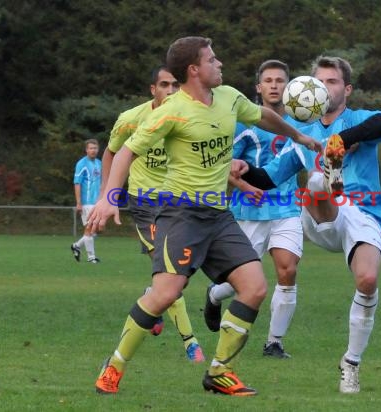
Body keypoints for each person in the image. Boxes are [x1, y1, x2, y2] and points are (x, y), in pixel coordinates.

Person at [88, 36, 321, 397]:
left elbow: (264, 116)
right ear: (194, 70)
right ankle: (114, 366)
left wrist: (299, 136)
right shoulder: (170, 111)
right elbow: (124, 153)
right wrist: (108, 197)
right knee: (166, 294)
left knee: (255, 288)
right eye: (212, 60)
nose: (220, 64)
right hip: (181, 215)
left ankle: (219, 372)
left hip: (218, 215)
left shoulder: (228, 96)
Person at [235, 55, 381, 394]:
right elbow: (267, 178)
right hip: (321, 212)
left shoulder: (360, 119)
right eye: (319, 81)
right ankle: (328, 179)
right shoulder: (302, 134)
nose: (324, 88)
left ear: (347, 89)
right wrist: (244, 170)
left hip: (365, 214)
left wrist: (342, 139)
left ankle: (350, 362)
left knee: (367, 280)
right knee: (316, 184)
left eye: (333, 82)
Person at [102, 65, 205, 363]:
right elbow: (111, 152)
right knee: (170, 276)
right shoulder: (131, 119)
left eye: (176, 85)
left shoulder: (188, 115)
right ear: (153, 89)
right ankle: (191, 342)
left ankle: (153, 301)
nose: (171, 91)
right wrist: (107, 196)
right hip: (144, 205)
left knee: (177, 279)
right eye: (164, 85)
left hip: (177, 203)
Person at [204, 59, 303, 359]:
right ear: (258, 88)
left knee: (288, 270)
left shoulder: (301, 125)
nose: (274, 85)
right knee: (240, 282)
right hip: (250, 213)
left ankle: (274, 342)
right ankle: (213, 294)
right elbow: (224, 167)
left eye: (280, 80)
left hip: (287, 209)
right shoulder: (243, 124)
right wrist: (247, 188)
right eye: (268, 81)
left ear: (290, 88)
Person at [71, 138, 102, 263]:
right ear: (86, 150)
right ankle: (91, 257)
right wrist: (79, 202)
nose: (93, 150)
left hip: (98, 202)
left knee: (96, 229)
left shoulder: (99, 163)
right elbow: (77, 183)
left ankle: (76, 246)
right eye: (91, 148)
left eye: (95, 148)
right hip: (87, 202)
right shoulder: (81, 164)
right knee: (90, 228)